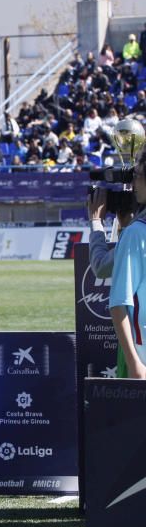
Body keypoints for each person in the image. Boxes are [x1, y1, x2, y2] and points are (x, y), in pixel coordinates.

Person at [109, 149, 146, 380]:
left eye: (137, 174)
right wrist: (135, 364)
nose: (133, 181)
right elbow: (118, 304)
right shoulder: (135, 233)